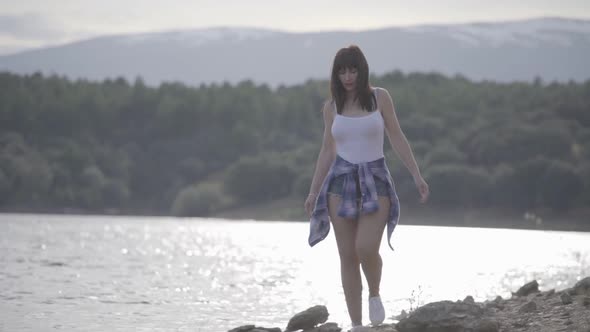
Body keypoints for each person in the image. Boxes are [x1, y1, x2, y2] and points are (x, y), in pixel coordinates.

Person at [304, 45, 429, 332]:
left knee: (365, 247)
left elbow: (397, 136)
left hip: (376, 180)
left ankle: (374, 292)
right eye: (342, 71)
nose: (348, 76)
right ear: (336, 74)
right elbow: (327, 151)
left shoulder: (379, 98)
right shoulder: (331, 108)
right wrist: (313, 191)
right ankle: (358, 325)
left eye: (353, 69)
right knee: (347, 255)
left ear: (362, 70)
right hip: (339, 183)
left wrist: (416, 175)